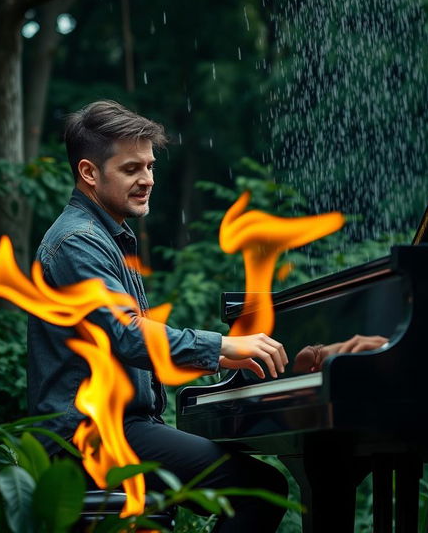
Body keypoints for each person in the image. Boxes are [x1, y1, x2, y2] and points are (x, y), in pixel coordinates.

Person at [27, 100, 289, 532]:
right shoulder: (76, 242)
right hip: (87, 438)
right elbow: (126, 335)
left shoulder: (104, 236)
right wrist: (222, 347)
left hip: (119, 426)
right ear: (90, 173)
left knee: (247, 480)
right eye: (131, 169)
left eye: (149, 166)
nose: (147, 179)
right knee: (257, 489)